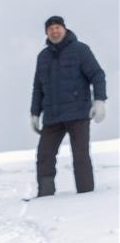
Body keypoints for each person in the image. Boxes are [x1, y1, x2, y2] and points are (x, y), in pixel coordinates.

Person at [30, 15, 107, 197]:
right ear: (46, 33)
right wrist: (35, 113)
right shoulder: (43, 57)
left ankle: (86, 195)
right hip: (52, 116)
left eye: (57, 27)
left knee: (80, 157)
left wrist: (99, 101)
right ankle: (45, 195)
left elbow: (97, 75)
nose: (54, 31)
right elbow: (38, 88)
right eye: (50, 29)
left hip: (78, 113)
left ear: (64, 29)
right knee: (44, 156)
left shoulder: (80, 50)